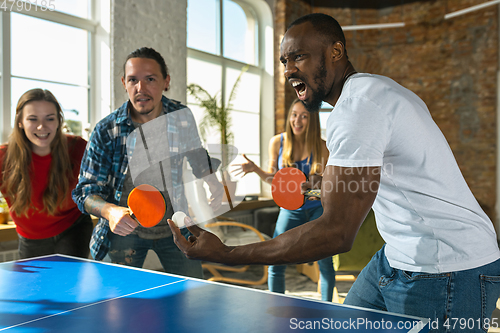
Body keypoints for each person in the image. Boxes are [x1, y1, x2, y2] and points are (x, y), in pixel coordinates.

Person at [168, 13, 500, 328]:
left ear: (336, 51)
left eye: (299, 57)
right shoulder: (373, 91)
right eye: (285, 61)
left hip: (449, 268)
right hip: (399, 255)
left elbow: (336, 232)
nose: (288, 70)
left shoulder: (359, 107)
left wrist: (227, 253)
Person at [72, 47, 223, 278]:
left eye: (150, 79)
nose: (140, 88)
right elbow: (85, 192)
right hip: (124, 232)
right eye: (133, 80)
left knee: (193, 298)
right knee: (114, 306)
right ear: (124, 82)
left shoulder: (181, 117)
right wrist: (110, 211)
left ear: (166, 81)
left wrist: (211, 179)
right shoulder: (106, 130)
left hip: (176, 227)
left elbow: (196, 155)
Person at [232, 99, 335, 301]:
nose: (297, 120)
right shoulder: (277, 142)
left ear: (312, 120)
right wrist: (254, 169)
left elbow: (325, 185)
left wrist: (316, 185)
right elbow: (274, 179)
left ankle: (328, 307)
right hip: (290, 210)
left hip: (317, 210)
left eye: (304, 116)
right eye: (294, 114)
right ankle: (277, 306)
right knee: (275, 260)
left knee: (325, 264)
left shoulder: (323, 147)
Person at [0, 88, 92, 259]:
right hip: (30, 237)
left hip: (73, 228)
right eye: (33, 119)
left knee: (65, 283)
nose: (42, 127)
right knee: (34, 286)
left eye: (50, 119)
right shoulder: (3, 157)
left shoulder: (78, 148)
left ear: (59, 121)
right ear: (20, 122)